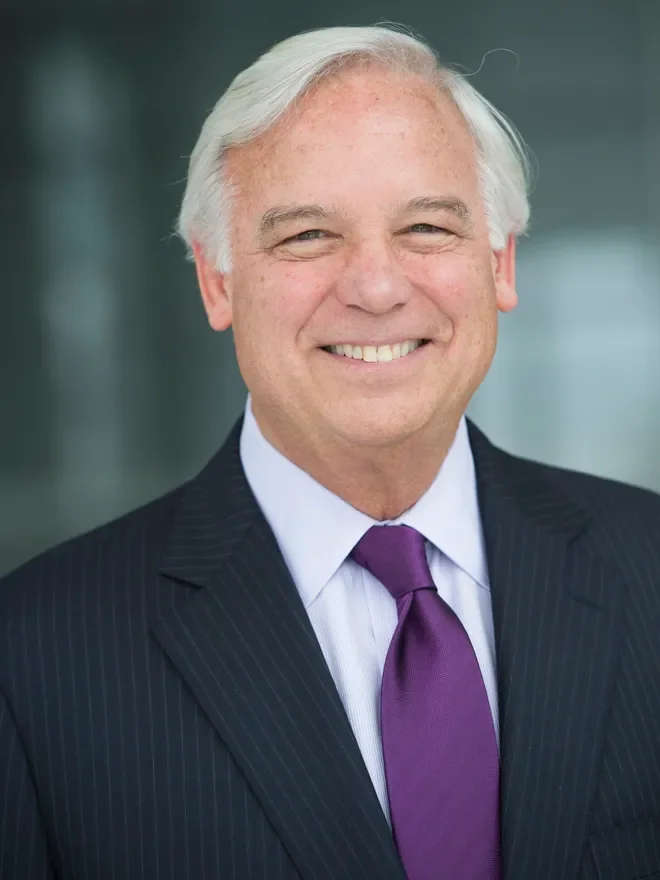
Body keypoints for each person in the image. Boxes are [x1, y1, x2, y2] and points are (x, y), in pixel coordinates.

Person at [1, 23, 659, 880]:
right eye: (307, 236)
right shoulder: (32, 656)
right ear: (216, 279)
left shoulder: (648, 567)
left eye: (427, 227)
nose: (377, 288)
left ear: (499, 264)